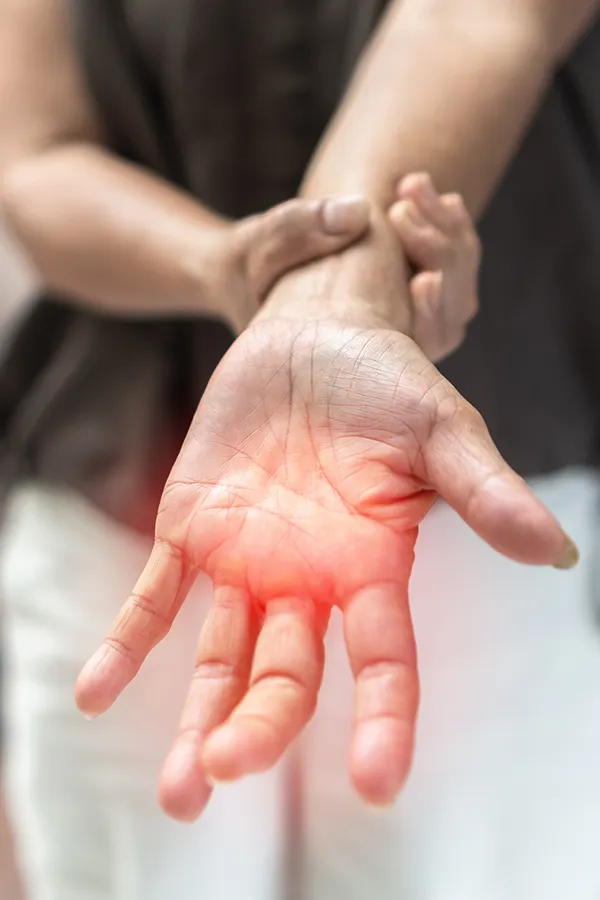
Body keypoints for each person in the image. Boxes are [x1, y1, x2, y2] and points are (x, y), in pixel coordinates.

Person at [2, 1, 600, 899]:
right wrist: (223, 265)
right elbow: (35, 160)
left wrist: (338, 306)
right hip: (125, 473)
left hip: (477, 470)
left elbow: (481, 16)